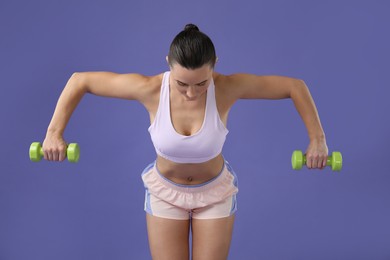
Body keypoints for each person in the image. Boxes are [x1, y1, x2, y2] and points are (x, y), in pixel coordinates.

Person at [42, 24, 328, 260]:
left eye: (201, 84)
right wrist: (54, 133)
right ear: (169, 64)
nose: (192, 93)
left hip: (214, 193)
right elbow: (80, 81)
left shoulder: (228, 87)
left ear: (214, 66)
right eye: (182, 84)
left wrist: (318, 140)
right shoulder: (150, 89)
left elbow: (294, 86)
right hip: (166, 193)